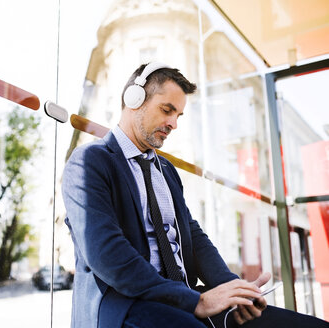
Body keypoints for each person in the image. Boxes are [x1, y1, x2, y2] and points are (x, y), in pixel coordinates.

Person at [61, 62, 329, 328]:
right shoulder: (90, 161)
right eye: (167, 110)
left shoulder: (165, 170)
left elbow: (193, 236)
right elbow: (107, 254)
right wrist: (194, 301)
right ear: (134, 99)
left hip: (184, 297)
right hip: (126, 304)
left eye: (178, 115)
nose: (173, 123)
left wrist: (232, 289)